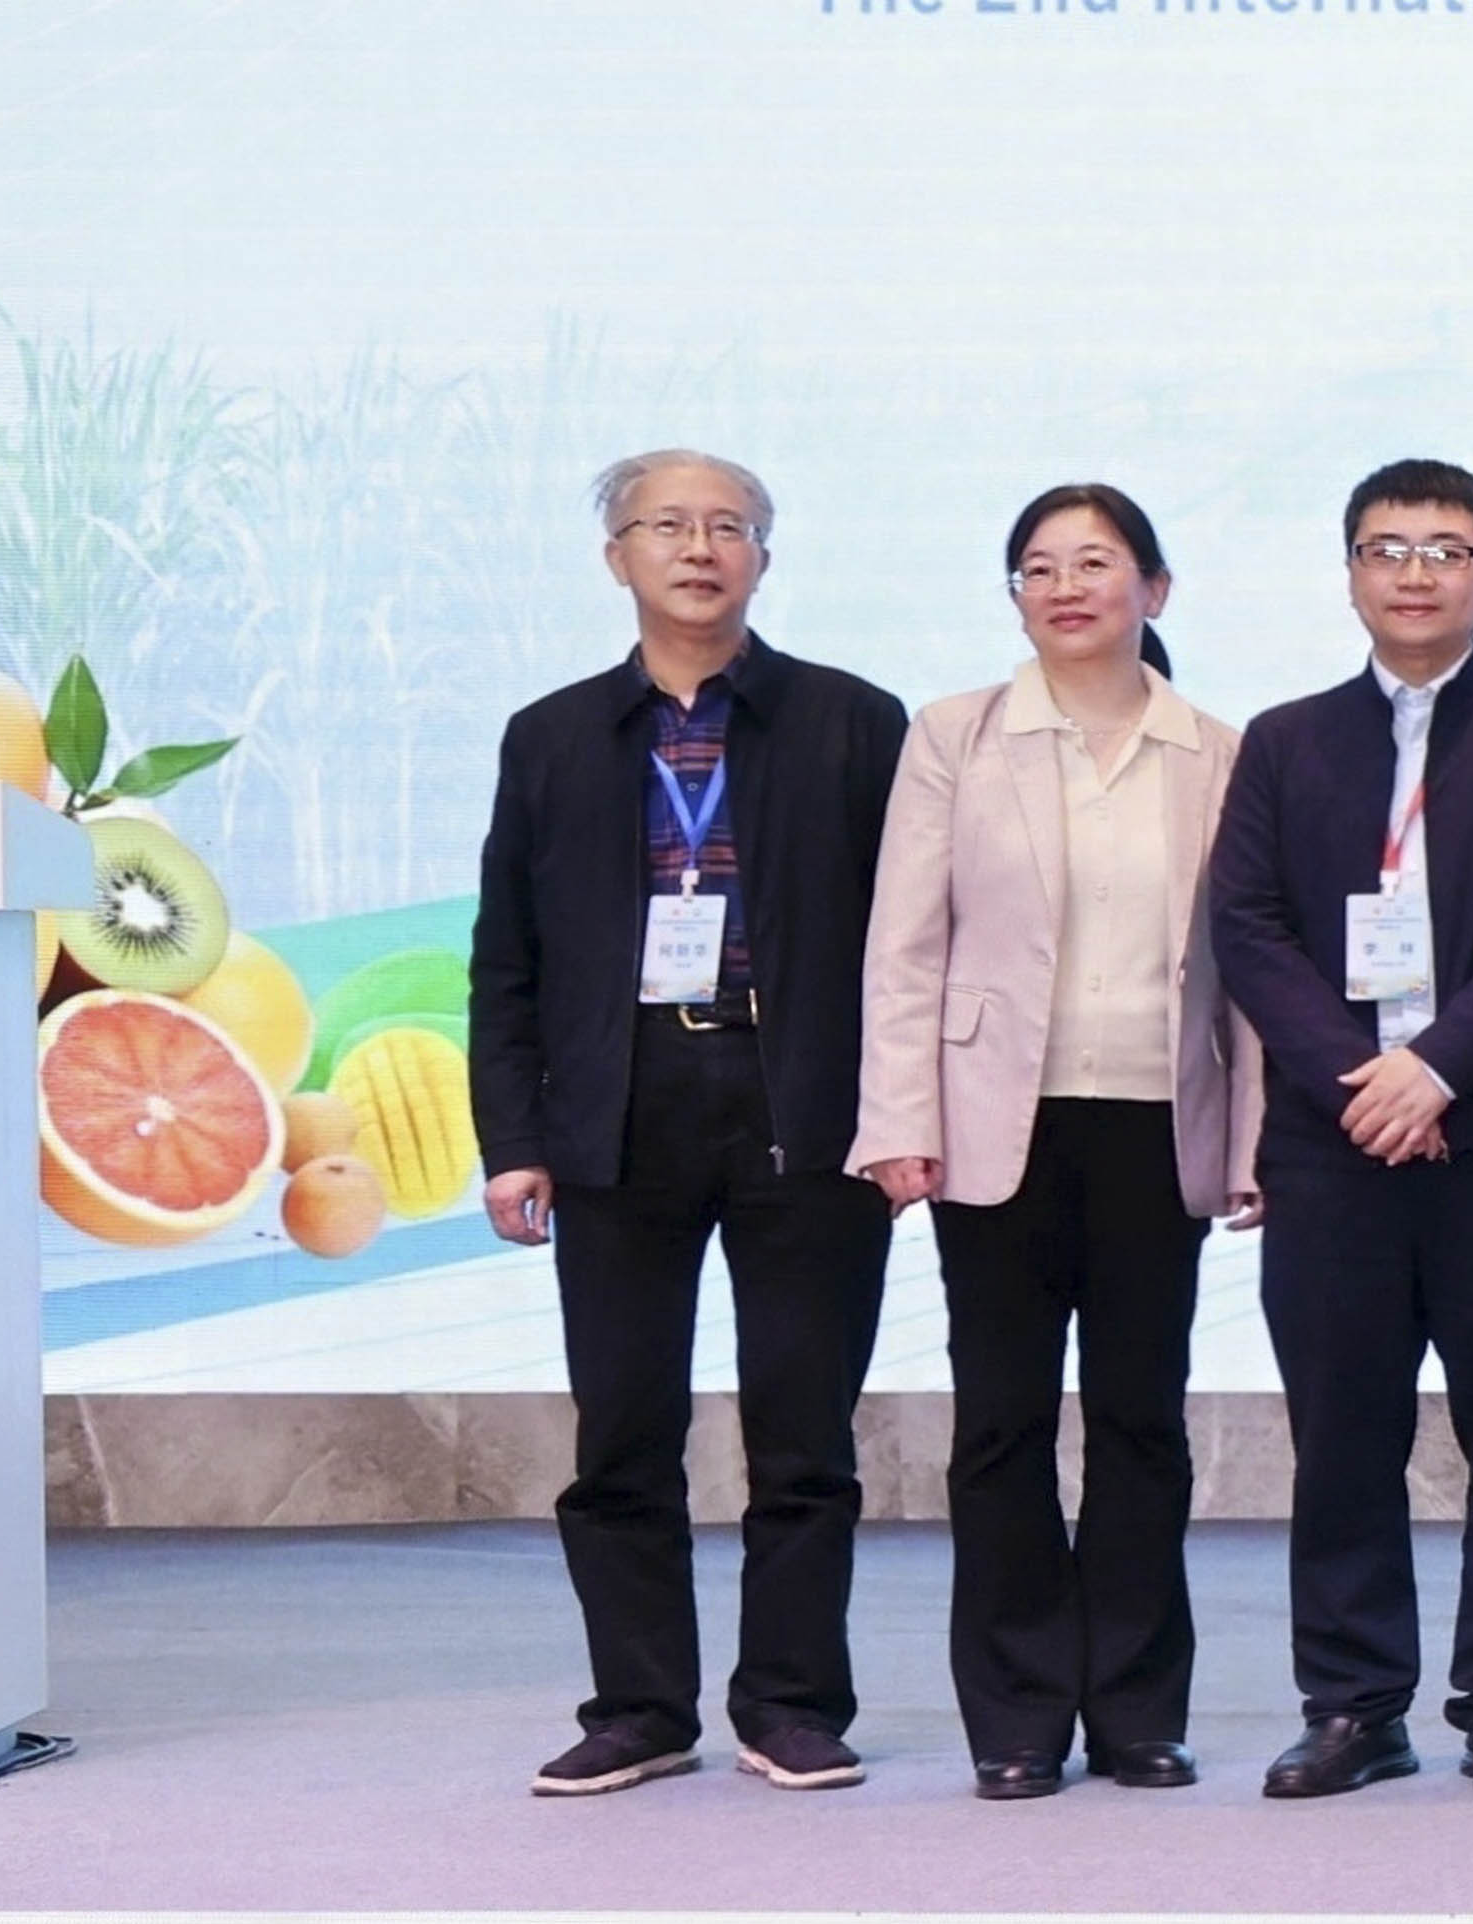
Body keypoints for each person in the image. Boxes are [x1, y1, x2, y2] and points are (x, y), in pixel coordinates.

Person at [475, 450, 913, 1796]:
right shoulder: (551, 736)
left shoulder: (854, 722)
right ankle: (639, 1709)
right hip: (619, 1108)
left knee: (804, 1433)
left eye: (730, 525)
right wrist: (513, 1137)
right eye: (666, 524)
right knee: (622, 1430)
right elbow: (508, 956)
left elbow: (912, 943)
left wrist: (902, 1111)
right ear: (617, 555)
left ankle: (791, 1703)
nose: (700, 547)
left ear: (764, 558)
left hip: (806, 1107)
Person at [1197, 458, 1473, 1797]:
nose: (1417, 573)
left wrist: (1434, 1070)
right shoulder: (1286, 740)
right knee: (1342, 1432)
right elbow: (1247, 928)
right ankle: (1352, 1703)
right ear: (1350, 574)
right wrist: (1362, 1082)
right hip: (1336, 1144)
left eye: (1448, 549)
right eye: (1388, 548)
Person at [853, 483, 1251, 1799]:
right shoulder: (954, 736)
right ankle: (1017, 1715)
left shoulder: (1219, 750)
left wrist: (1254, 1138)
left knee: (1142, 1424)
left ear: (1155, 588)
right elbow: (905, 945)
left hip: (1157, 1123)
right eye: (1039, 566)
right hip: (993, 1126)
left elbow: (1249, 966)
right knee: (1001, 1425)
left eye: (1095, 562)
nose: (1066, 587)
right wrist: (898, 1120)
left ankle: (1138, 1709)